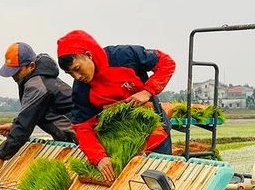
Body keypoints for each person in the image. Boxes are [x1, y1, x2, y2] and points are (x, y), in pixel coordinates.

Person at [56, 30, 175, 182]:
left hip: (155, 135)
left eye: (77, 69)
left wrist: (147, 91)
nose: (77, 77)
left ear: (88, 55)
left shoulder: (124, 55)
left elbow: (166, 62)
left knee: (159, 185)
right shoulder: (81, 90)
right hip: (119, 143)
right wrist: (99, 158)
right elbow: (82, 126)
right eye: (70, 73)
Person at [0, 42, 77, 179]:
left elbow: (25, 124)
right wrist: (15, 125)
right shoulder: (35, 79)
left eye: (16, 71)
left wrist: (1, 156)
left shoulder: (37, 85)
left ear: (31, 66)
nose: (13, 76)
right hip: (68, 135)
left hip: (78, 136)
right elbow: (32, 112)